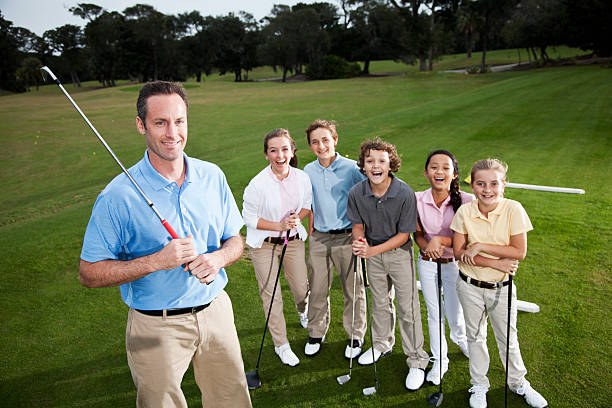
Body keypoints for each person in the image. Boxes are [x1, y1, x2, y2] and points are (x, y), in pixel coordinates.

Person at [79, 81, 252, 408]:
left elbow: (235, 239)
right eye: (160, 122)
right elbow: (89, 273)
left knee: (232, 400)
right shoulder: (118, 195)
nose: (172, 132)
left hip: (215, 311)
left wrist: (217, 259)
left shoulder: (212, 175)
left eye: (179, 121)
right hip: (153, 325)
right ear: (141, 125)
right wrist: (156, 261)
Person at [451, 158, 548, 408]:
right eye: (481, 184)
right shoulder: (465, 211)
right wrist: (495, 262)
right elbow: (460, 252)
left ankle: (518, 383)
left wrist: (481, 246)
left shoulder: (514, 208)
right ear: (472, 186)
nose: (487, 189)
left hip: (501, 289)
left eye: (494, 183)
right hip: (469, 285)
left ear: (504, 184)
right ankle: (480, 384)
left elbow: (519, 252)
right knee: (475, 337)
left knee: (507, 338)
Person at [347, 138, 429, 391]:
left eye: (382, 161)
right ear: (363, 165)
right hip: (372, 254)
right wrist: (359, 241)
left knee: (408, 306)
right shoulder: (357, 192)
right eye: (370, 161)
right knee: (380, 303)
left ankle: (417, 360)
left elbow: (404, 236)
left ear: (391, 163)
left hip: (399, 254)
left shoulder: (404, 192)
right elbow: (358, 224)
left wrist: (370, 250)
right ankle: (382, 343)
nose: (376, 165)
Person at [242, 128, 311, 367]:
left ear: (292, 151)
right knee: (272, 296)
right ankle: (281, 345)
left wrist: (297, 218)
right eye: (273, 150)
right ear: (266, 154)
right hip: (264, 246)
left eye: (284, 149)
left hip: (292, 242)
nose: (280, 155)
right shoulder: (257, 184)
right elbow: (249, 218)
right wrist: (278, 224)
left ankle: (304, 311)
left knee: (301, 289)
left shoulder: (302, 177)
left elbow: (306, 205)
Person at [302, 120, 367, 358]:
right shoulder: (307, 171)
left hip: (347, 238)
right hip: (319, 238)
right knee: (318, 288)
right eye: (315, 142)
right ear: (310, 146)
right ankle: (316, 332)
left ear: (335, 140)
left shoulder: (352, 169)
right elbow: (307, 203)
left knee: (353, 289)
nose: (321, 146)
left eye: (325, 140)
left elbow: (366, 199)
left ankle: (355, 336)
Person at [414, 150, 472, 385]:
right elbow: (417, 233)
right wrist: (428, 247)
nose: (440, 172)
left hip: (454, 264)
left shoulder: (467, 201)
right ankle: (440, 359)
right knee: (433, 313)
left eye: (446, 168)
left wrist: (441, 242)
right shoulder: (417, 198)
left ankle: (459, 338)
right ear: (426, 172)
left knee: (455, 315)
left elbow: (468, 239)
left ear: (454, 174)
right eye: (434, 167)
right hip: (427, 263)